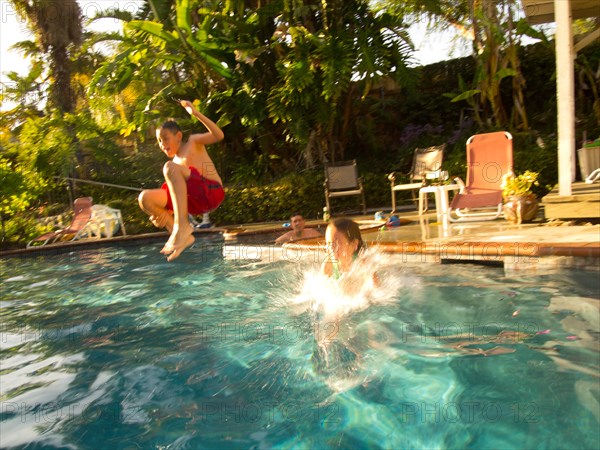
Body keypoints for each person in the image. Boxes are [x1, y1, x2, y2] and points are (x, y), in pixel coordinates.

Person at [138, 100, 224, 261]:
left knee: (169, 168)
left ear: (178, 136)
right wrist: (160, 215)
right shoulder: (175, 167)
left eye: (165, 138)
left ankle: (181, 227)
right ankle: (181, 236)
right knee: (145, 199)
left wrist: (196, 114)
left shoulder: (193, 142)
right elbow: (174, 205)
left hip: (213, 192)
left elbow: (219, 135)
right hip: (196, 202)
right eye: (159, 141)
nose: (162, 144)